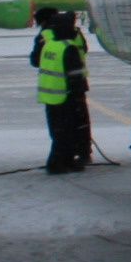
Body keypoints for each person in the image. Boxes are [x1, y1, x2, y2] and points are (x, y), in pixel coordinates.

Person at [36, 10, 89, 173]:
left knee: (58, 133)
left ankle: (63, 161)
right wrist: (78, 96)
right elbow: (74, 76)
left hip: (50, 95)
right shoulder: (68, 47)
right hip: (65, 96)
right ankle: (57, 163)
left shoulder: (50, 45)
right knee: (67, 133)